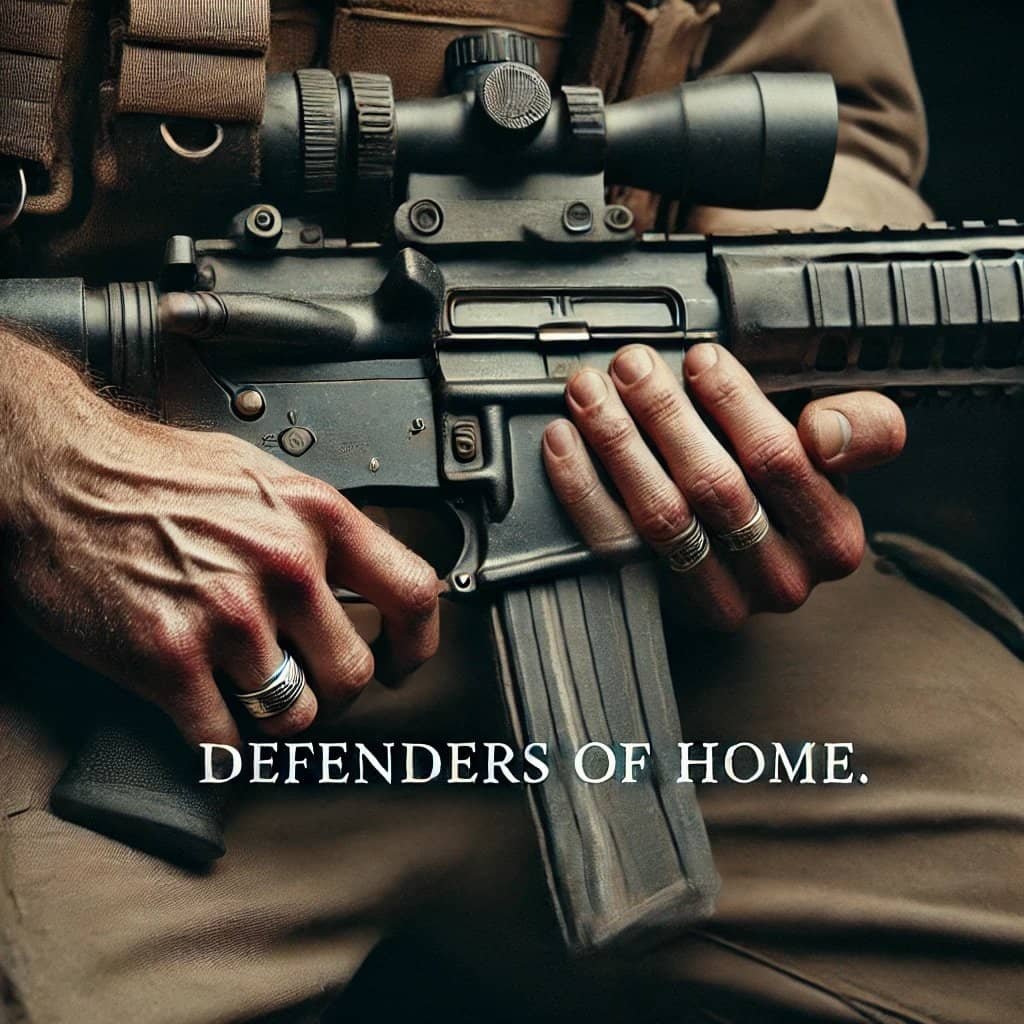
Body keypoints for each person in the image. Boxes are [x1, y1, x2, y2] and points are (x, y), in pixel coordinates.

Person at [0, 2, 1021, 1022]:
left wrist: (765, 374)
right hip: (96, 596)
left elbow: (844, 125)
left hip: (671, 615)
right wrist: (35, 450)